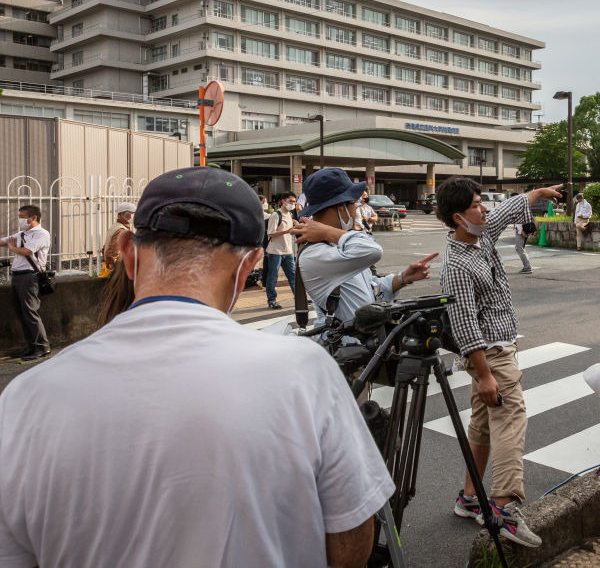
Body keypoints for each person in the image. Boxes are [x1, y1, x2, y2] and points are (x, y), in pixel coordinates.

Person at [0, 167, 394, 567]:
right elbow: (350, 538)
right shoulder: (304, 372)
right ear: (249, 267)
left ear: (129, 254)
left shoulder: (25, 397)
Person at [437, 177, 562, 548]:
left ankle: (469, 497)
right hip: (489, 353)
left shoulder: (481, 236)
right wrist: (486, 374)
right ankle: (505, 507)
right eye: (477, 205)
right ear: (459, 217)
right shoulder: (456, 265)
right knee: (511, 417)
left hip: (498, 347)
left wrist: (537, 194)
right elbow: (463, 324)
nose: (484, 209)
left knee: (483, 424)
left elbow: (506, 211)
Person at [292, 168, 436, 342]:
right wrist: (329, 231)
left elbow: (370, 291)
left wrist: (403, 278)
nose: (356, 210)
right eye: (354, 204)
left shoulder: (338, 244)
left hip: (366, 348)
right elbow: (373, 250)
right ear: (340, 207)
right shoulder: (315, 253)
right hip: (346, 351)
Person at [0, 205, 51, 360]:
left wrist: (12, 247)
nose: (20, 219)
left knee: (30, 312)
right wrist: (8, 243)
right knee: (21, 313)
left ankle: (42, 347)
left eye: (23, 216)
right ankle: (31, 346)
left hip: (30, 277)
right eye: (19, 216)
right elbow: (3, 241)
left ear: (33, 218)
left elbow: (28, 251)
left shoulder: (41, 234)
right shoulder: (23, 234)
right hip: (18, 277)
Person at [264, 192, 297, 310]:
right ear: (283, 201)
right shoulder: (275, 215)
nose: (293, 204)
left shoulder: (290, 214)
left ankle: (298, 297)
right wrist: (286, 231)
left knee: (293, 276)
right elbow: (270, 233)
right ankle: (272, 300)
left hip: (288, 251)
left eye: (294, 202)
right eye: (290, 201)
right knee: (273, 276)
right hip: (275, 252)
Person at [100, 202, 136, 277]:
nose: (133, 216)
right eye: (131, 214)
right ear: (123, 214)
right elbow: (113, 252)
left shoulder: (115, 226)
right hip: (118, 270)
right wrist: (112, 271)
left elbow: (105, 248)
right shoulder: (121, 231)